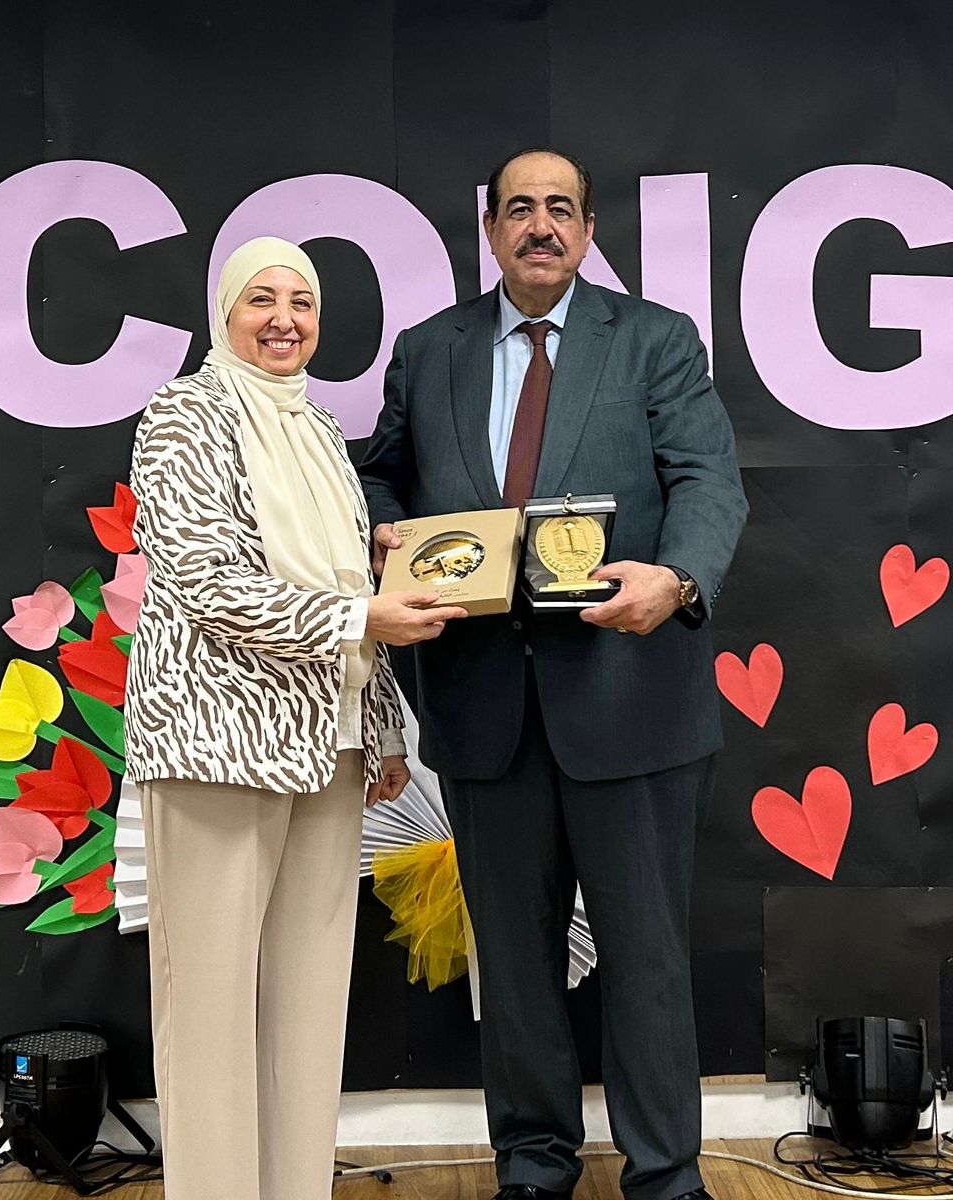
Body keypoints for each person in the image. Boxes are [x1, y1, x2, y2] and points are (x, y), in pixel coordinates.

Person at [360, 150, 747, 1200]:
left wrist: (677, 579)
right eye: (520, 208)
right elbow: (380, 473)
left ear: (587, 231)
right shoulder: (427, 351)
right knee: (515, 964)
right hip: (482, 705)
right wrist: (382, 529)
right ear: (490, 229)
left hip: (632, 701)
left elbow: (708, 479)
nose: (541, 225)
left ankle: (666, 1176)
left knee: (647, 957)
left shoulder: (657, 340)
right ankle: (532, 1167)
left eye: (561, 209)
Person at [124, 236, 467, 1200]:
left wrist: (384, 729)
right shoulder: (184, 416)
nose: (284, 320)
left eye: (302, 302)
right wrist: (363, 618)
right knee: (208, 1007)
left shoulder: (316, 427)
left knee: (311, 1008)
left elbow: (355, 582)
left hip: (333, 745)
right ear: (225, 313)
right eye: (261, 300)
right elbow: (208, 584)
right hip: (217, 744)